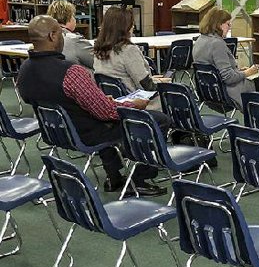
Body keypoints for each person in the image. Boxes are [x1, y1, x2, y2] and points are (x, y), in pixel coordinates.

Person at [16, 15, 166, 196]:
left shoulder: (24, 70)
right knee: (158, 120)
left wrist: (102, 101)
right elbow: (106, 113)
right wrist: (135, 105)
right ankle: (140, 178)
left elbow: (32, 99)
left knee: (106, 118)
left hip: (57, 131)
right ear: (52, 35)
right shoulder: (71, 72)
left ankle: (115, 176)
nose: (64, 36)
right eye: (62, 33)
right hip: (87, 133)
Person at [93, 6, 168, 110]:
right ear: (125, 27)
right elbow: (145, 85)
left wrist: (154, 80)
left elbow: (123, 76)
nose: (133, 27)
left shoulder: (99, 49)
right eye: (132, 24)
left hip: (113, 103)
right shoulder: (128, 50)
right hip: (137, 103)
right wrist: (163, 84)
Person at [192, 6, 259, 108]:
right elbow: (228, 78)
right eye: (228, 24)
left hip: (207, 90)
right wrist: (247, 73)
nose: (230, 27)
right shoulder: (217, 44)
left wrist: (239, 71)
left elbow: (217, 69)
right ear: (219, 25)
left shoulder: (200, 40)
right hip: (226, 91)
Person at [46, 0, 94, 69]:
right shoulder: (75, 41)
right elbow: (97, 62)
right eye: (73, 16)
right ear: (68, 18)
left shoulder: (45, 38)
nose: (75, 19)